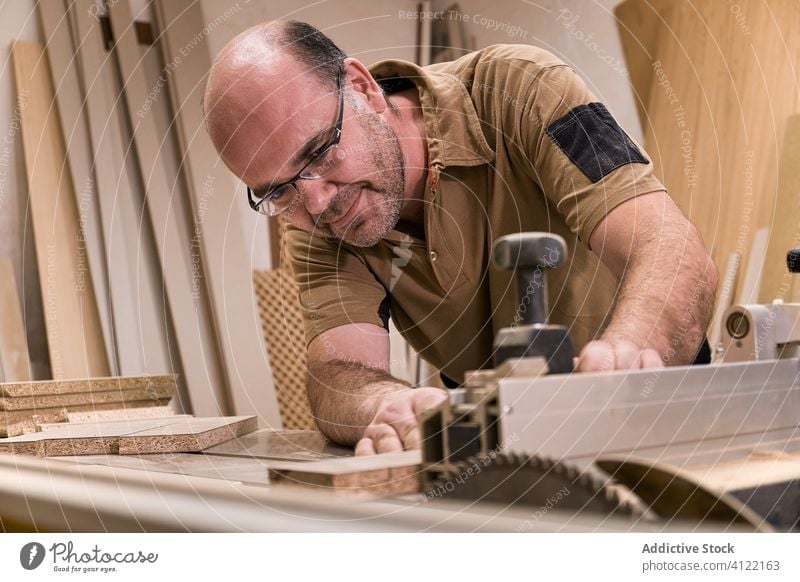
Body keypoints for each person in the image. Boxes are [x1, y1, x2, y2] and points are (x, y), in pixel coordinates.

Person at [203, 21, 718, 456]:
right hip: (506, 450)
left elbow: (669, 248)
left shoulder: (519, 88)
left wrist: (628, 356)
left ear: (361, 89)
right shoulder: (318, 214)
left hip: (657, 411)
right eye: (279, 191)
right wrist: (387, 404)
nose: (316, 202)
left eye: (319, 153)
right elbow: (338, 371)